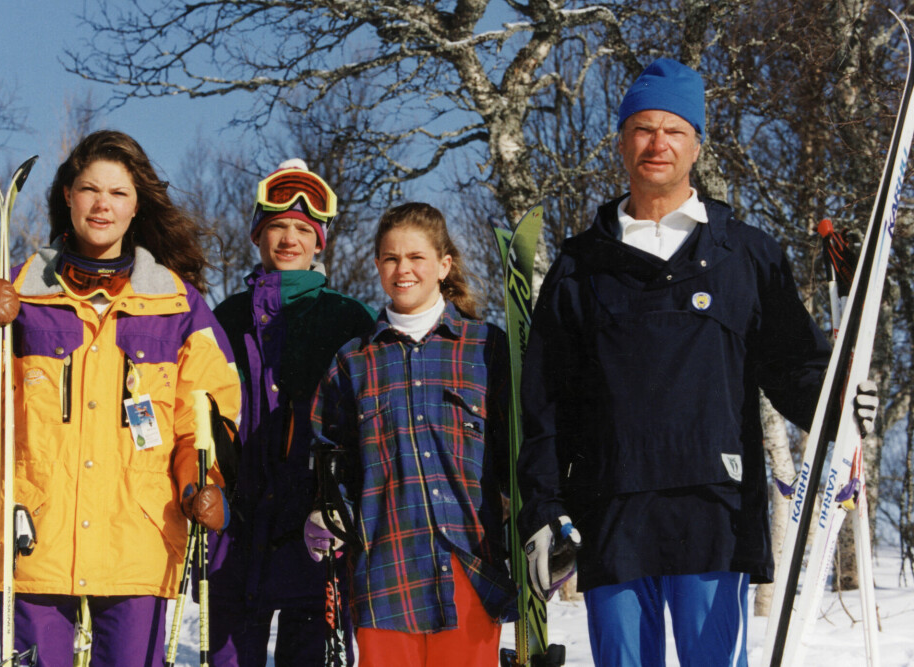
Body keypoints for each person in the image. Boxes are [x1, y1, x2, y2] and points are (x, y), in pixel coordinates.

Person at [517, 59, 835, 666]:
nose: (657, 143)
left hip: (713, 506)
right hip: (612, 507)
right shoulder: (580, 266)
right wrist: (544, 506)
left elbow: (795, 366)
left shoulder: (746, 253)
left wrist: (839, 404)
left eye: (673, 130)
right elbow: (547, 403)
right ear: (620, 142)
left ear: (696, 144)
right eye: (642, 129)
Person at [0, 130, 241, 667]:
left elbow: (208, 415)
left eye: (118, 193)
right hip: (35, 536)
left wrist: (204, 479)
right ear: (67, 198)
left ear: (136, 205)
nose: (103, 204)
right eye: (89, 189)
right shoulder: (23, 292)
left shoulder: (177, 305)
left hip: (140, 539)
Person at [307, 203, 517, 667]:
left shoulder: (487, 348)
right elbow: (328, 452)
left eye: (416, 257)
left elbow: (518, 452)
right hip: (386, 573)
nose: (403, 269)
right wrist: (325, 508)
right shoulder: (353, 361)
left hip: (470, 568)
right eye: (390, 258)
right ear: (378, 266)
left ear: (444, 265)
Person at [206, 159, 376, 666]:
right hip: (238, 527)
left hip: (316, 527)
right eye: (276, 226)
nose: (289, 239)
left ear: (320, 241)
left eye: (303, 229)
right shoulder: (225, 318)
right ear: (258, 235)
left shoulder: (347, 318)